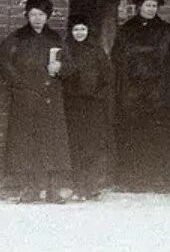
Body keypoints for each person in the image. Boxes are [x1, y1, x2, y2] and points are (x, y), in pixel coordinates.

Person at [0, 0, 75, 203]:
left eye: (41, 14)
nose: (37, 19)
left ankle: (52, 188)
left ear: (47, 16)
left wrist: (60, 69)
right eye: (33, 14)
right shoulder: (17, 38)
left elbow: (70, 65)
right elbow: (2, 61)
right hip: (26, 97)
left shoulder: (55, 39)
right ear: (27, 16)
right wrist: (19, 83)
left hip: (50, 97)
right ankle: (28, 187)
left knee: (52, 143)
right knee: (26, 143)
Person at [110, 0, 170, 192]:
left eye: (154, 6)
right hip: (133, 90)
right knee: (135, 132)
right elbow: (117, 56)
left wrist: (153, 62)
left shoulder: (165, 29)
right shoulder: (127, 29)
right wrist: (137, 65)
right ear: (139, 6)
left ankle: (159, 179)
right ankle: (133, 179)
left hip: (159, 90)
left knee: (158, 133)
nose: (151, 9)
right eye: (147, 5)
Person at [62, 14, 114, 200]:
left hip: (93, 104)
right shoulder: (65, 50)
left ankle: (91, 184)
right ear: (71, 31)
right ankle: (77, 184)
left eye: (83, 29)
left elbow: (107, 76)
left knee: (92, 144)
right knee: (75, 143)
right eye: (76, 29)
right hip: (73, 104)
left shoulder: (97, 51)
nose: (79, 33)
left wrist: (98, 94)